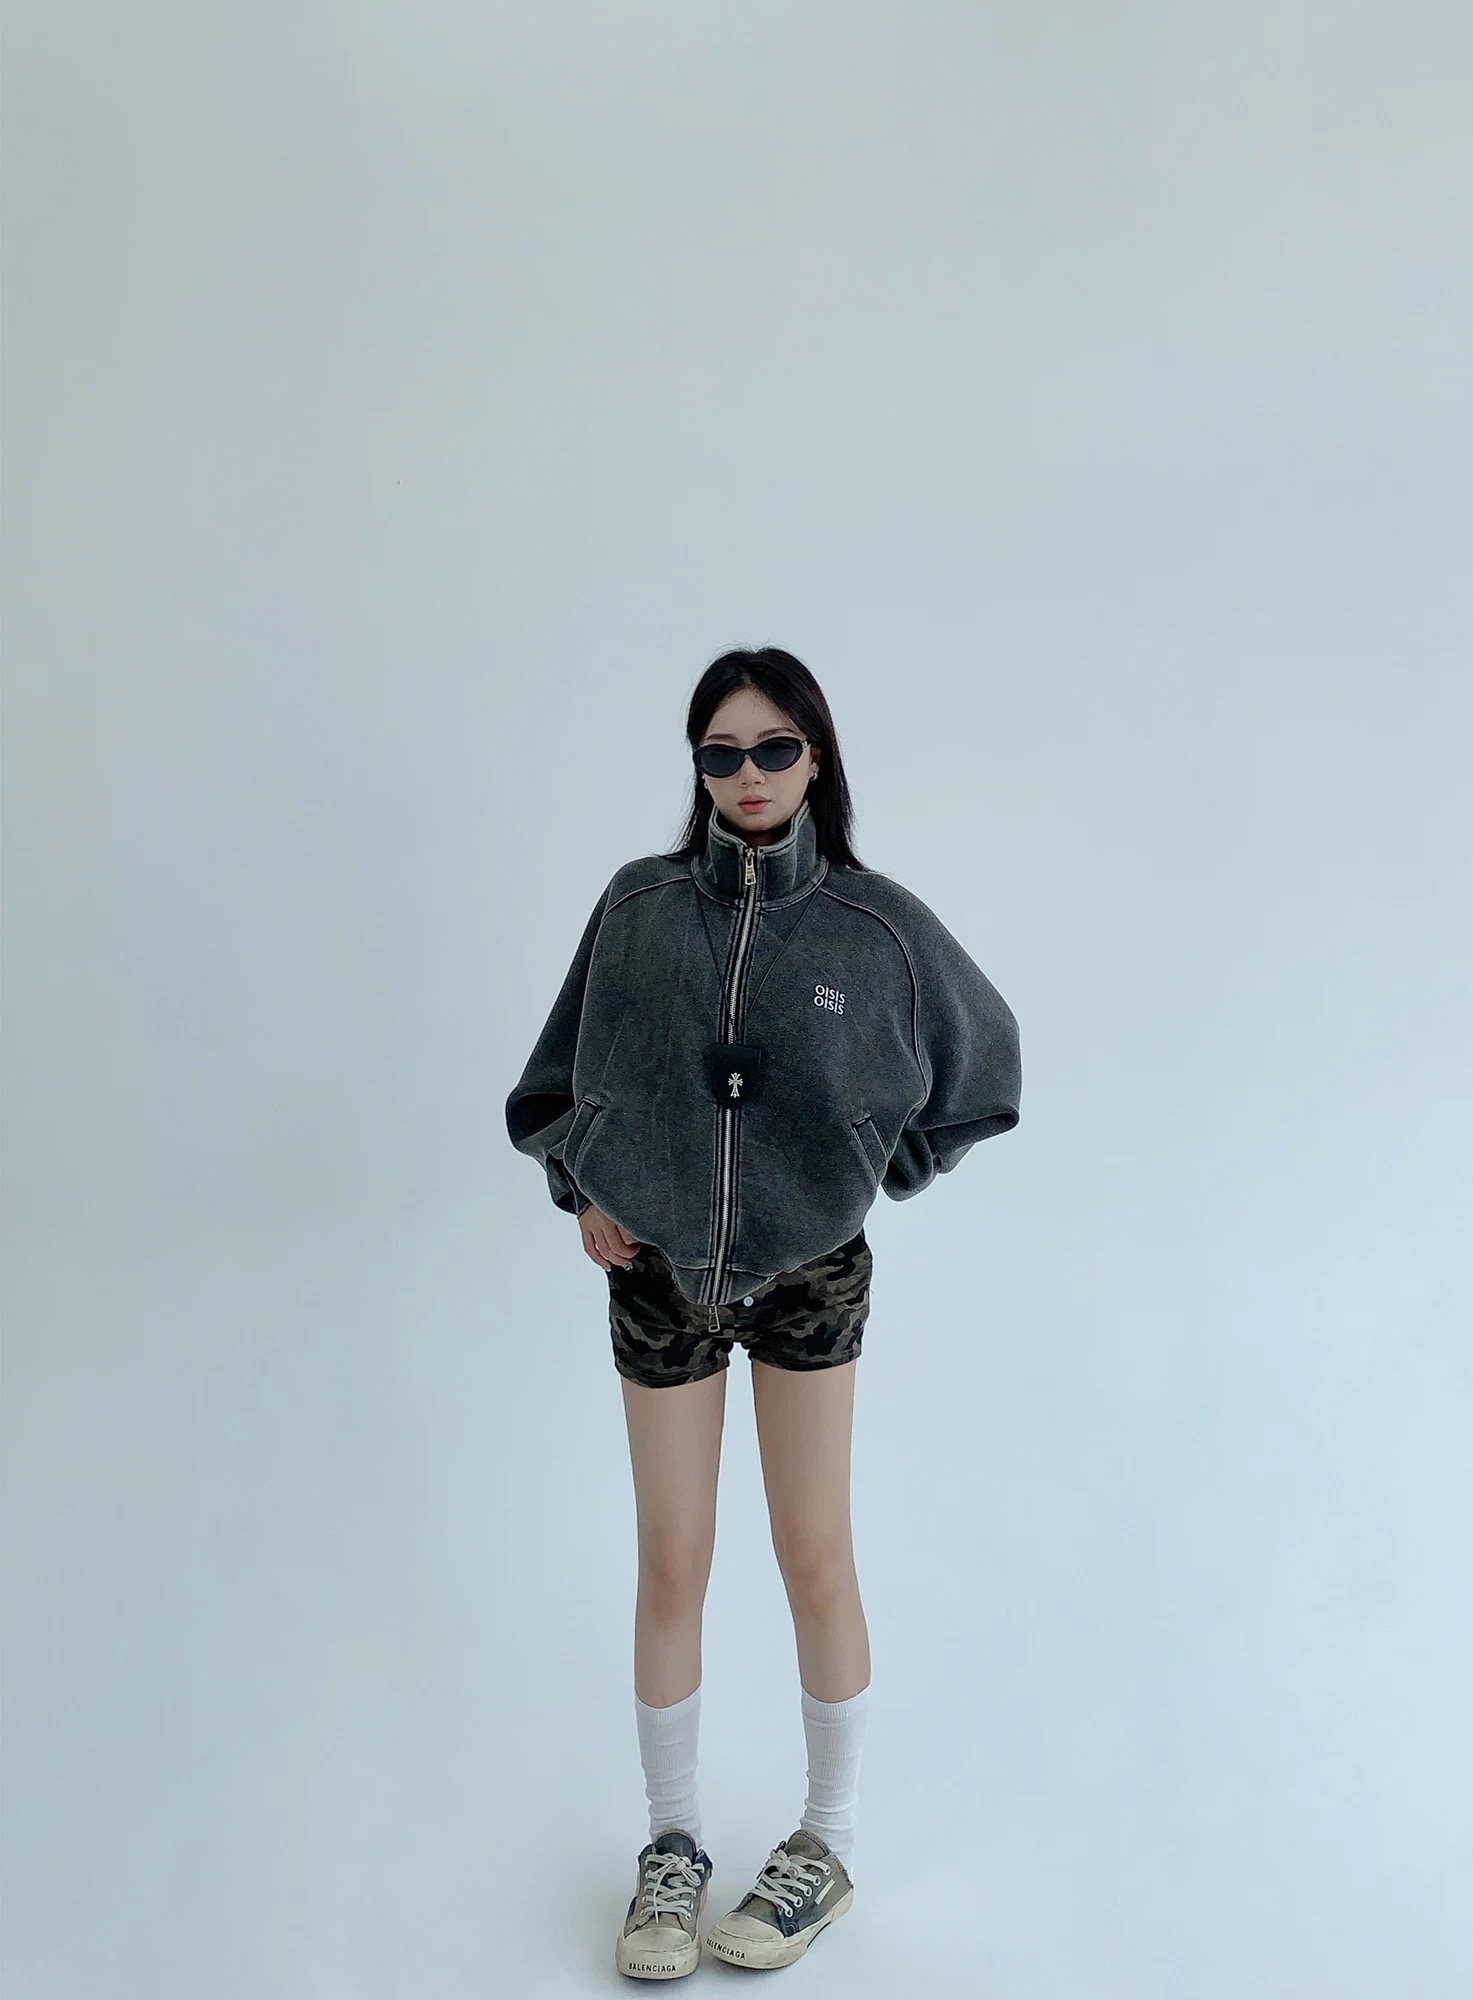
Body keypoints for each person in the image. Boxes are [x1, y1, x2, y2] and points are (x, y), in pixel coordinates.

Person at [505, 646, 1022, 1978]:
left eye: (774, 748)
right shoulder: (638, 909)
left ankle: (825, 1847)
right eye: (721, 753)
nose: (748, 775)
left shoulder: (875, 927)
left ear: (816, 758)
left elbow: (984, 1068)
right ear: (697, 767)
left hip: (811, 1276)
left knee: (813, 1551)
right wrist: (585, 1186)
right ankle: (671, 1847)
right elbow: (559, 1078)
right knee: (673, 1558)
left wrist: (871, 1168)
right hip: (658, 1274)